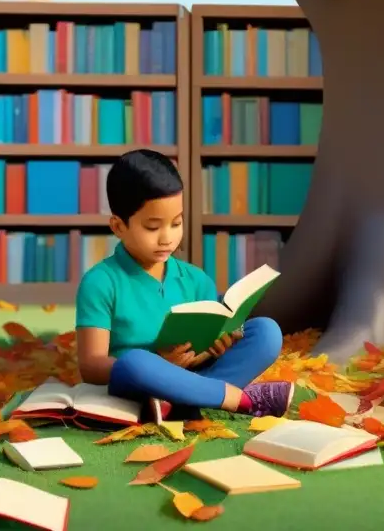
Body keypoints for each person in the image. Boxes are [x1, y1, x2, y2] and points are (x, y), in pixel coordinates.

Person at [75, 148, 291, 419]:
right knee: (135, 362)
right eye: (153, 228)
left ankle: (179, 403)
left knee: (266, 332)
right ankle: (240, 400)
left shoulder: (196, 279)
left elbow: (206, 346)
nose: (167, 238)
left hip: (196, 375)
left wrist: (217, 346)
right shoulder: (100, 282)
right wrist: (160, 363)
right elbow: (91, 366)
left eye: (176, 223)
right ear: (118, 227)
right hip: (138, 383)